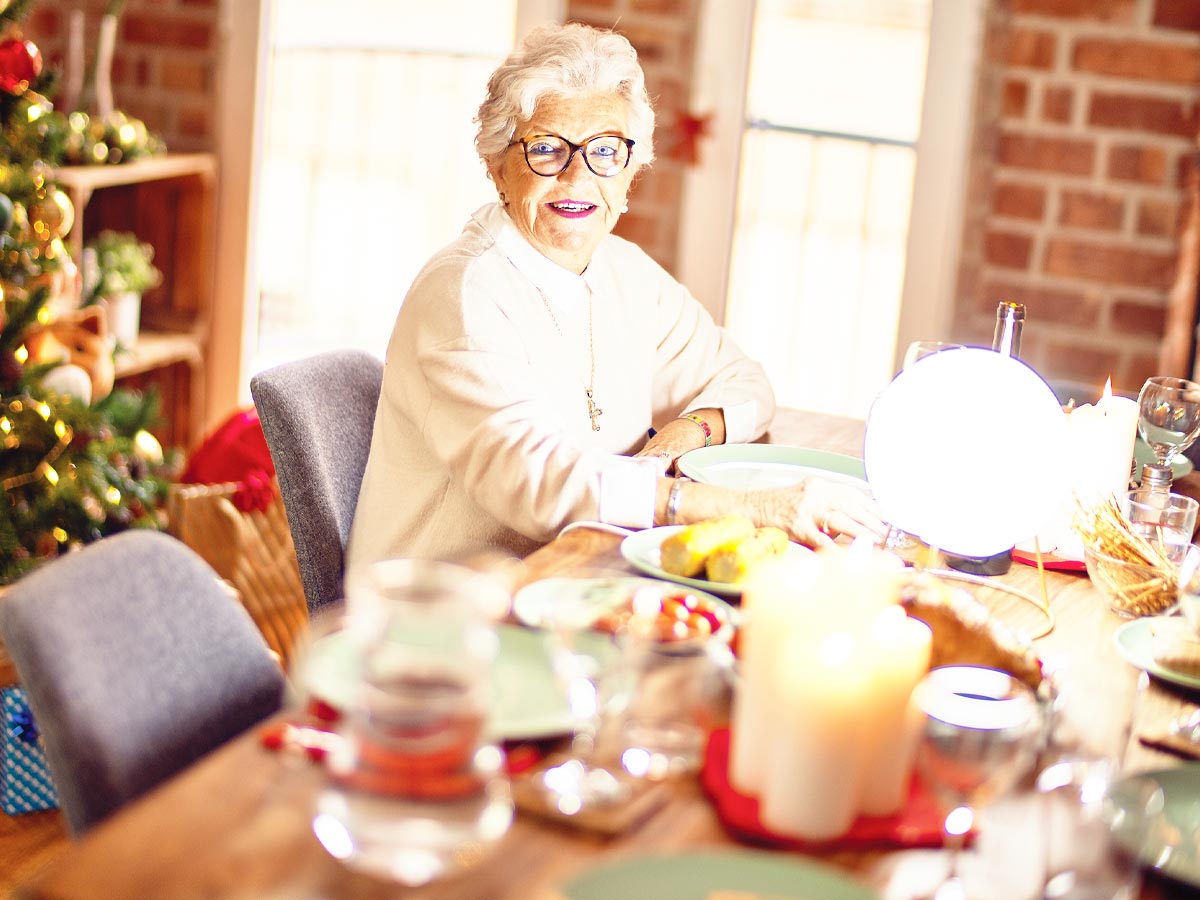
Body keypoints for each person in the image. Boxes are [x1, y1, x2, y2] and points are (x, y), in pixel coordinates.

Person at [348, 22, 885, 570]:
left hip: (578, 576)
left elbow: (744, 383)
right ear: (497, 167)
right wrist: (743, 506)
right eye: (547, 149)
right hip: (444, 613)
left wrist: (682, 436)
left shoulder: (624, 272)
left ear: (631, 169)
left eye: (605, 150)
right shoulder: (464, 294)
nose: (578, 176)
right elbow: (538, 482)